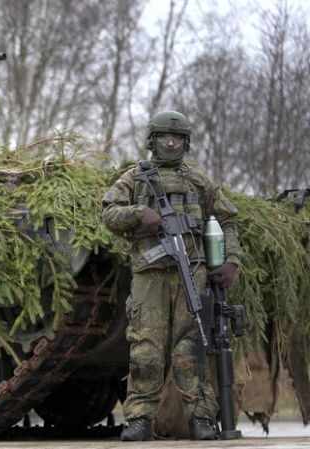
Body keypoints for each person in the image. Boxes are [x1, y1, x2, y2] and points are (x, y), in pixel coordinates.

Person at [101, 110, 241, 441]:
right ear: (153, 141)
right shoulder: (134, 178)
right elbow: (108, 212)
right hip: (150, 274)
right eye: (165, 136)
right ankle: (139, 419)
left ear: (185, 142)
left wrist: (231, 260)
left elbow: (228, 221)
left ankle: (201, 418)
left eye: (176, 138)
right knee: (146, 348)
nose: (170, 142)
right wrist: (140, 213)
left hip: (192, 273)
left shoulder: (199, 182)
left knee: (190, 348)